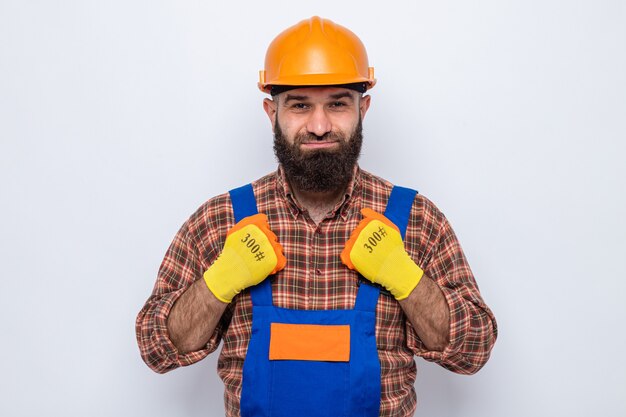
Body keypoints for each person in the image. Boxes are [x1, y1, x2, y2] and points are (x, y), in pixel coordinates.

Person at [136, 16, 497, 417]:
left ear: (365, 108)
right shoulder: (222, 219)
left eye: (338, 104)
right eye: (300, 105)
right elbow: (156, 348)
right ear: (271, 112)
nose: (320, 125)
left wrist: (403, 274)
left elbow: (474, 350)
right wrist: (222, 278)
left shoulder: (415, 219)